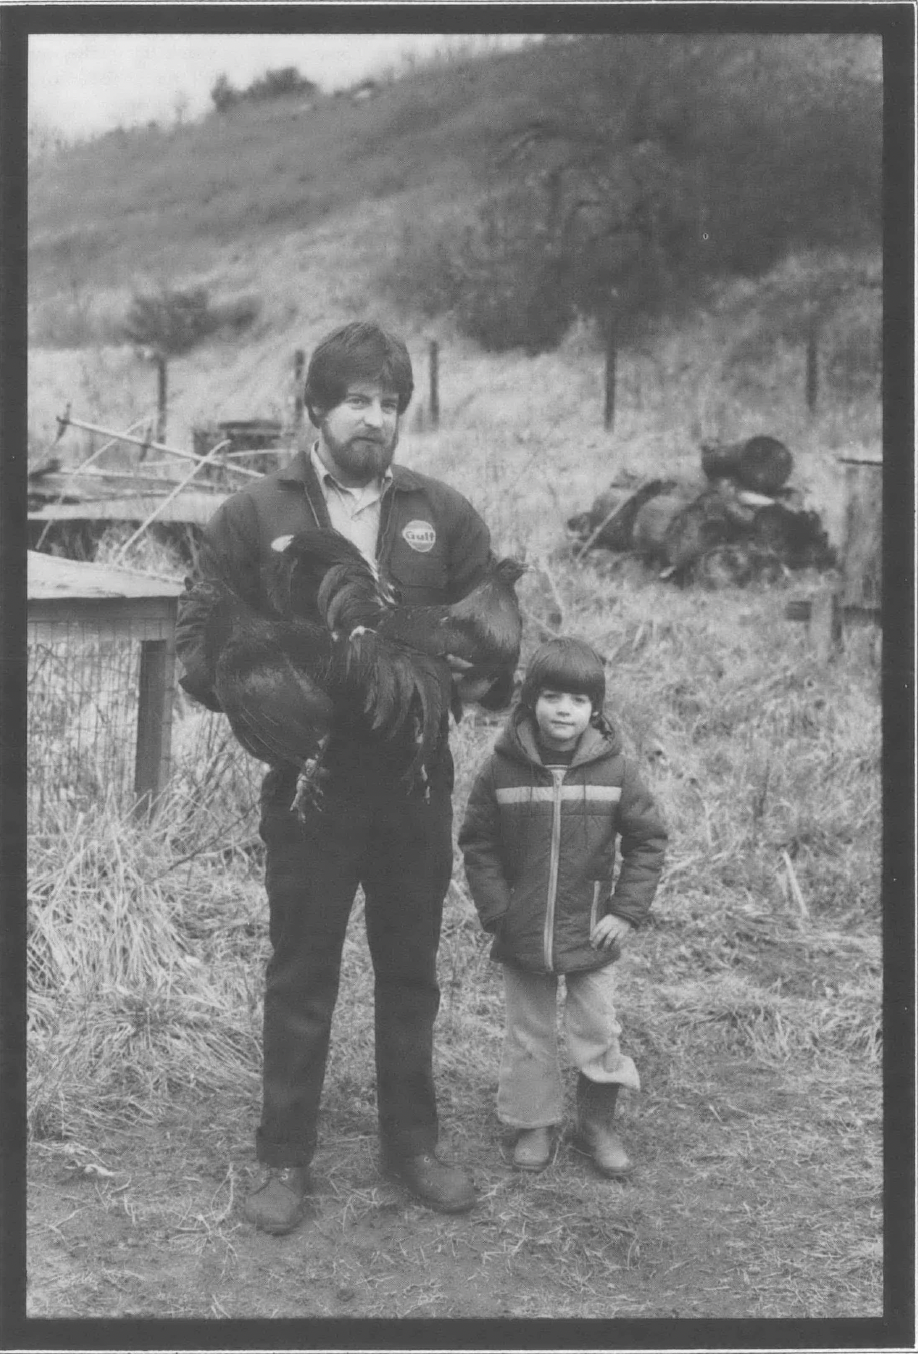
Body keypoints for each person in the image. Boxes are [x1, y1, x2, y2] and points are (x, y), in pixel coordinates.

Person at [176, 321, 492, 1234]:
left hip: (414, 781)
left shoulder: (446, 513)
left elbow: (484, 640)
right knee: (302, 967)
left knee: (411, 970)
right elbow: (201, 637)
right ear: (315, 409)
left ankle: (414, 1147)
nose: (375, 418)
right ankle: (283, 1159)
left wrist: (450, 675)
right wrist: (258, 692)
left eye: (390, 404)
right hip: (309, 778)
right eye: (357, 400)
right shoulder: (253, 515)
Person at [458, 637, 666, 1176]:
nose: (563, 710)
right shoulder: (502, 768)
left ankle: (595, 1125)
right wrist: (498, 911)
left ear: (594, 709)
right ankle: (534, 1124)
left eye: (577, 700)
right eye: (551, 697)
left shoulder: (615, 769)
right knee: (528, 1030)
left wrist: (624, 910)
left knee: (597, 1026)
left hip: (592, 930)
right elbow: (477, 842)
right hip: (522, 929)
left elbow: (647, 839)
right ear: (531, 702)